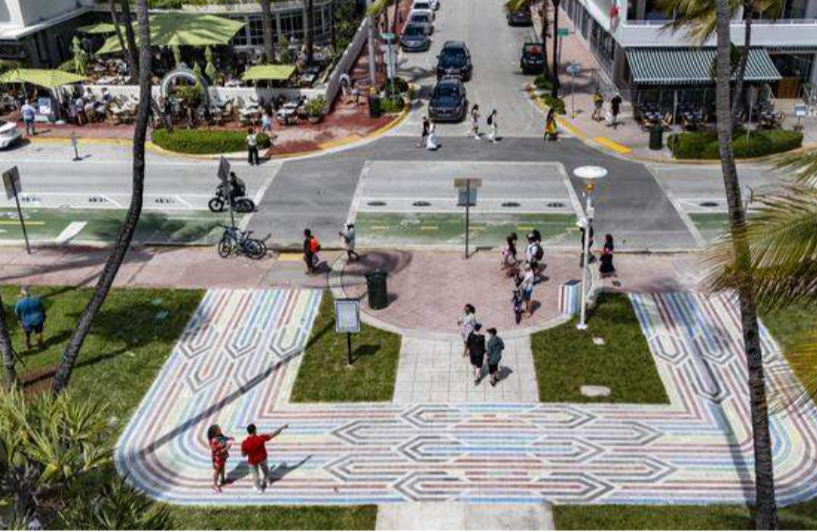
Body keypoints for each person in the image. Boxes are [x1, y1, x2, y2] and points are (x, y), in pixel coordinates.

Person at [241, 423, 288, 493]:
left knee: (255, 474)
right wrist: (282, 428)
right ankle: (268, 481)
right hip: (263, 458)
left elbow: (243, 455)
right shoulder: (260, 438)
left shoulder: (245, 443)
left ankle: (259, 488)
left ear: (248, 432)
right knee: (265, 469)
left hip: (253, 460)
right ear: (255, 430)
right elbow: (273, 434)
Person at [207, 424, 234, 493]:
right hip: (217, 457)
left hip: (222, 456)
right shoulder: (214, 441)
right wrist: (226, 448)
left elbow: (224, 438)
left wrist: (229, 438)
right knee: (217, 470)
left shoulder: (220, 436)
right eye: (218, 429)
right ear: (215, 432)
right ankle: (215, 485)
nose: (220, 430)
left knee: (223, 467)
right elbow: (217, 452)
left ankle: (223, 480)